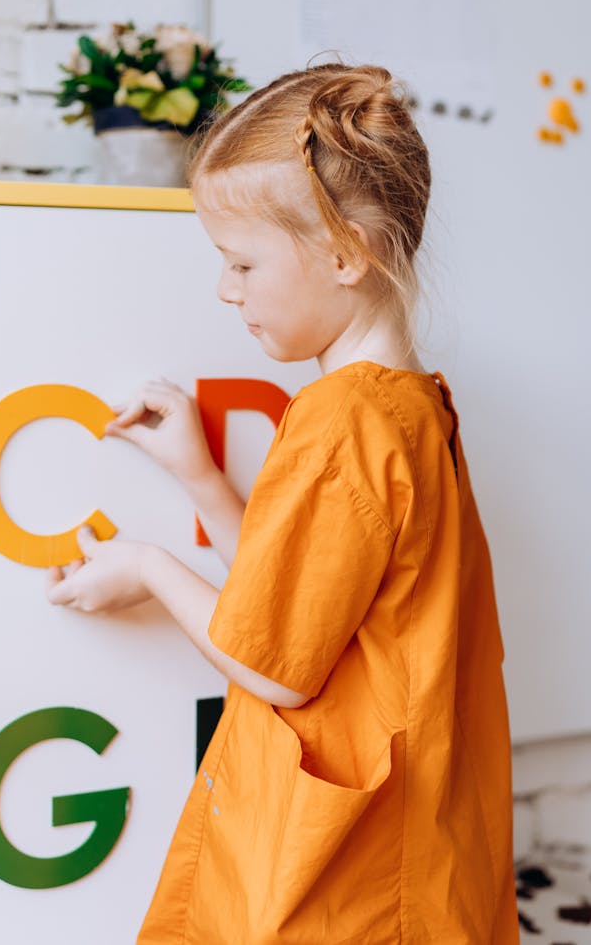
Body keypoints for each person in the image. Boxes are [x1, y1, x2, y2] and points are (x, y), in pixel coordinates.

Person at [46, 64, 519, 943]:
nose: (227, 289)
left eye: (242, 262)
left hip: (349, 872)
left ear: (345, 254)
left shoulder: (341, 419)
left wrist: (149, 565)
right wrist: (200, 475)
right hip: (404, 832)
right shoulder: (410, 402)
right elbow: (301, 602)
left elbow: (274, 665)